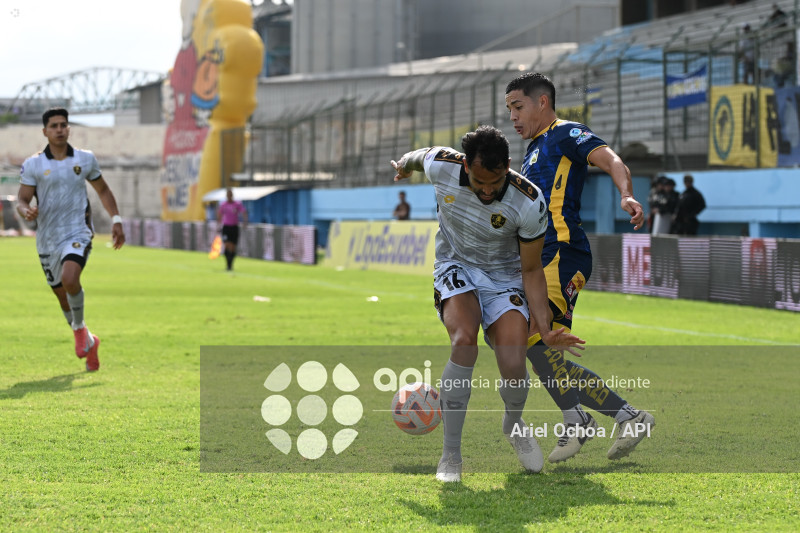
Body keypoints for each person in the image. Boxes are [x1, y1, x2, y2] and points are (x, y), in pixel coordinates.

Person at [391, 125, 585, 482]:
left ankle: (513, 423)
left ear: (508, 166)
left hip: (504, 278)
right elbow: (418, 157)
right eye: (479, 182)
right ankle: (451, 454)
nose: (486, 190)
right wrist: (403, 165)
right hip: (455, 265)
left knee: (513, 361)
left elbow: (531, 270)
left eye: (494, 182)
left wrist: (544, 329)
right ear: (466, 166)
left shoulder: (528, 201)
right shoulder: (443, 165)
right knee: (464, 340)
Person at [505, 72, 655, 463]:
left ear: (542, 102)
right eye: (508, 110)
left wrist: (627, 194)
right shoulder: (533, 148)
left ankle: (622, 416)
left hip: (563, 252)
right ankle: (583, 418)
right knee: (537, 345)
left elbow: (611, 159)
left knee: (536, 340)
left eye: (518, 107)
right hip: (540, 259)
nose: (512, 117)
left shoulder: (565, 133)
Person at [16, 107, 125, 372]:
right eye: (54, 126)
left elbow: (103, 189)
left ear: (68, 128)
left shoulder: (85, 159)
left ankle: (78, 330)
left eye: (63, 125)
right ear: (45, 131)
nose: (60, 129)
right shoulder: (34, 164)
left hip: (77, 231)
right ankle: (89, 341)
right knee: (63, 297)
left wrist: (116, 219)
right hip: (47, 238)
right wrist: (25, 210)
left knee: (70, 278)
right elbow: (21, 199)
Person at [216, 188, 247, 271]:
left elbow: (244, 212)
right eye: (228, 195)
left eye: (230, 194)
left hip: (234, 227)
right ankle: (228, 264)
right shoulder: (223, 205)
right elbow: (219, 214)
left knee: (233, 247)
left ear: (232, 195)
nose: (229, 196)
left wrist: (245, 222)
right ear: (226, 196)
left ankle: (230, 265)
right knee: (227, 245)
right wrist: (218, 225)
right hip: (226, 227)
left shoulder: (237, 204)